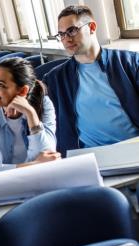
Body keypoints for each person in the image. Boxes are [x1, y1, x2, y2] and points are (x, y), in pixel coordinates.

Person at [44, 5, 139, 156]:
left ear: (92, 27)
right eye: (61, 34)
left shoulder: (129, 63)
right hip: (89, 157)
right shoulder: (55, 78)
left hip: (132, 148)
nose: (66, 39)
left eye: (72, 30)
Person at [0, 58, 60, 175]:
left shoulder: (43, 103)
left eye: (1, 85)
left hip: (40, 181)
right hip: (6, 187)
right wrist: (35, 165)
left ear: (23, 91)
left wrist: (31, 114)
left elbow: (48, 157)